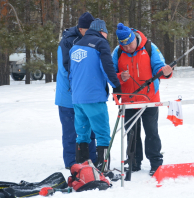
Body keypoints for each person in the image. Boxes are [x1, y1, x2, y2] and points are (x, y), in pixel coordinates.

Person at [112, 23, 173, 176]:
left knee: (151, 131)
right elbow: (111, 73)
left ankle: (155, 163)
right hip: (128, 99)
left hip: (149, 98)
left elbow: (159, 67)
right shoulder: (117, 52)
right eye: (123, 46)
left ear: (134, 39)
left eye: (129, 44)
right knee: (131, 132)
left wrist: (165, 72)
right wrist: (120, 77)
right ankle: (133, 162)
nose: (127, 48)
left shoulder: (150, 47)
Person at [69, 18, 121, 171]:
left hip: (77, 98)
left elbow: (70, 74)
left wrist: (75, 92)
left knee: (82, 134)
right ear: (101, 31)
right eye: (106, 33)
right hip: (93, 97)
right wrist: (116, 86)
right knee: (103, 134)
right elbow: (107, 67)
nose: (106, 37)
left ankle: (82, 169)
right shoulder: (100, 43)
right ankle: (103, 169)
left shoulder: (75, 46)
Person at [55, 12, 97, 169]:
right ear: (81, 28)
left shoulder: (90, 39)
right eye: (88, 30)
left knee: (89, 129)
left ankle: (91, 161)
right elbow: (67, 69)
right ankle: (72, 163)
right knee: (71, 132)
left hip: (84, 95)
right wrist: (79, 88)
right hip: (68, 95)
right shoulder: (67, 42)